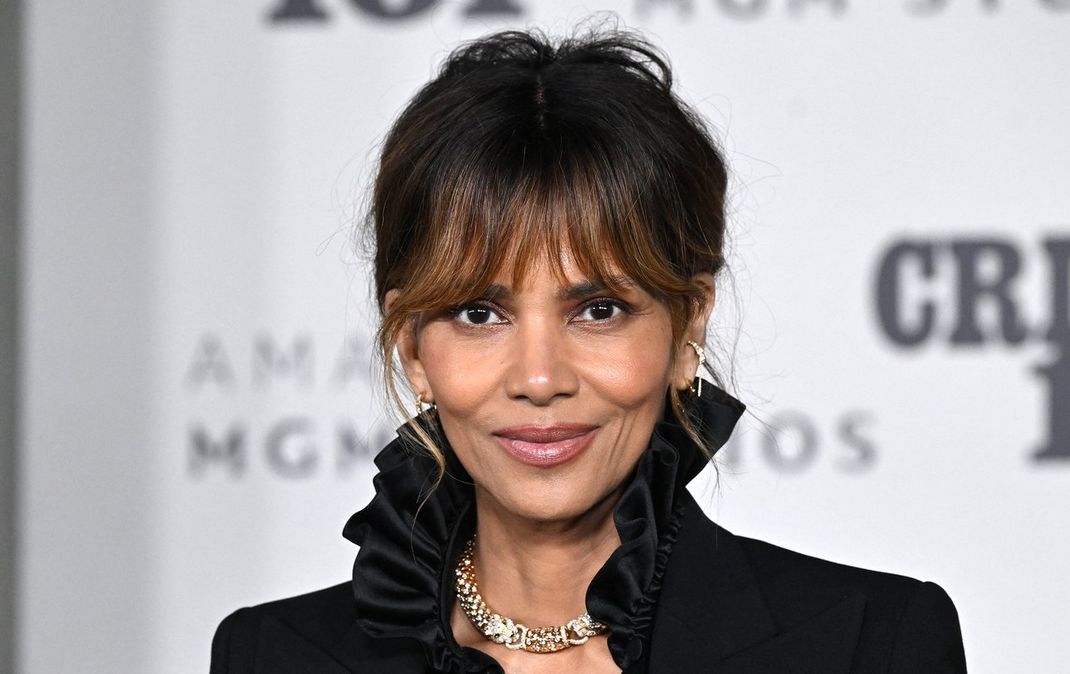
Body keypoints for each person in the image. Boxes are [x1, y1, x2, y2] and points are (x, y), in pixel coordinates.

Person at [210, 27, 967, 674]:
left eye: (598, 310)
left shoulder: (873, 645)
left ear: (687, 327)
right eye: (479, 313)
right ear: (412, 346)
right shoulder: (271, 657)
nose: (540, 378)